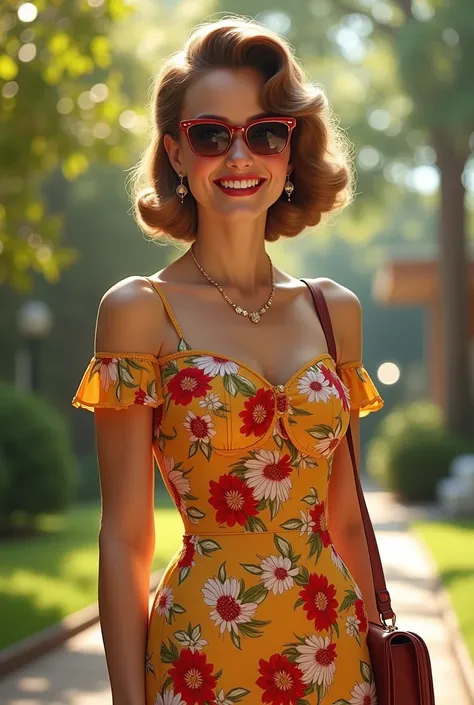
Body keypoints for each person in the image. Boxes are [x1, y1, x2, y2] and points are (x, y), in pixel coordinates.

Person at [72, 16, 384, 705]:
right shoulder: (139, 310)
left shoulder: (337, 311)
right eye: (212, 135)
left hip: (337, 657)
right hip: (201, 660)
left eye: (265, 132)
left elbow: (349, 519)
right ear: (177, 154)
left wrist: (382, 660)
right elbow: (124, 536)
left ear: (290, 148)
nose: (240, 156)